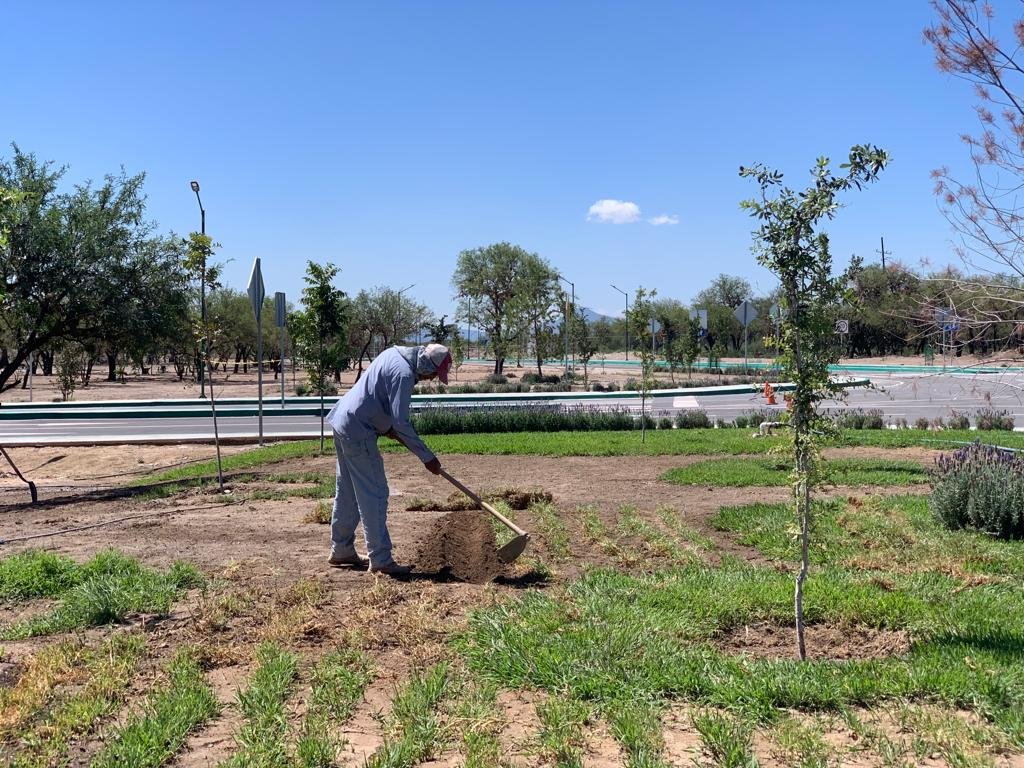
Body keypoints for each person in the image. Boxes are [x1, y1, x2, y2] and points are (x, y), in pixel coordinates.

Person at [324, 343, 451, 575]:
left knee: (349, 491)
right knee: (375, 493)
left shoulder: (394, 354)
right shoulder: (403, 374)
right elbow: (401, 422)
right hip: (358, 431)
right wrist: (427, 457)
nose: (432, 378)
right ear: (426, 364)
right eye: (434, 373)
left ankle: (341, 549)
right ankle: (381, 559)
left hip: (345, 420)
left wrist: (387, 426)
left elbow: (382, 402)